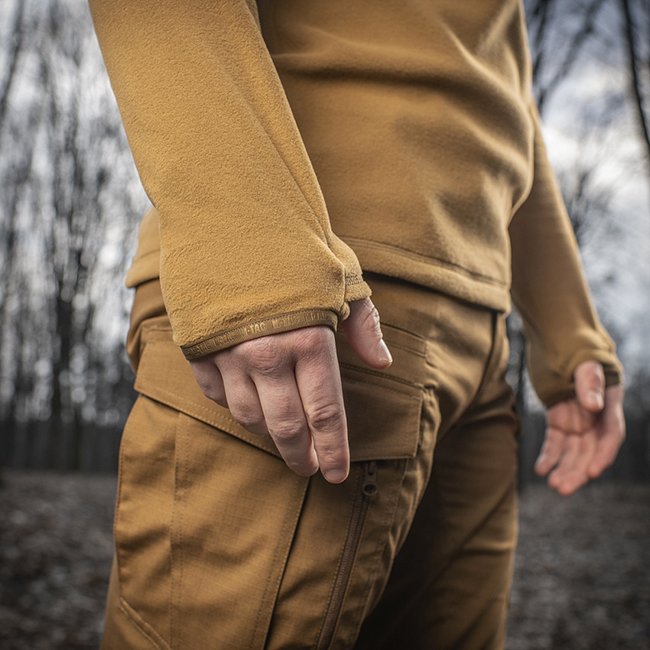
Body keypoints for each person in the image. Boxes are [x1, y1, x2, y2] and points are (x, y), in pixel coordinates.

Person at [89, 1, 626, 648]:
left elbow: (500, 83)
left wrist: (570, 332)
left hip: (479, 347)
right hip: (310, 301)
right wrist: (252, 252)